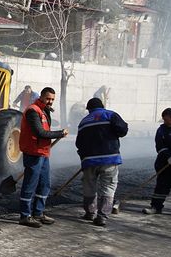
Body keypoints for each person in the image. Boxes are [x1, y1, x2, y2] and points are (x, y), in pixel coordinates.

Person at [19, 87, 69, 228]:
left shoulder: (44, 111)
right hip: (33, 153)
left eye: (52, 99)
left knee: (44, 184)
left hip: (43, 153)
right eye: (48, 98)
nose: (50, 101)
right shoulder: (32, 111)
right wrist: (59, 133)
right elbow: (39, 132)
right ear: (41, 96)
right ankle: (25, 215)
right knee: (30, 184)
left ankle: (38, 213)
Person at [75, 98, 128, 227]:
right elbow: (123, 130)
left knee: (89, 187)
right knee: (108, 187)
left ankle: (90, 213)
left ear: (89, 109)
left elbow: (79, 143)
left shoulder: (84, 122)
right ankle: (102, 216)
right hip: (109, 159)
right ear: (102, 106)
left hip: (89, 161)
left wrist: (83, 158)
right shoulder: (111, 115)